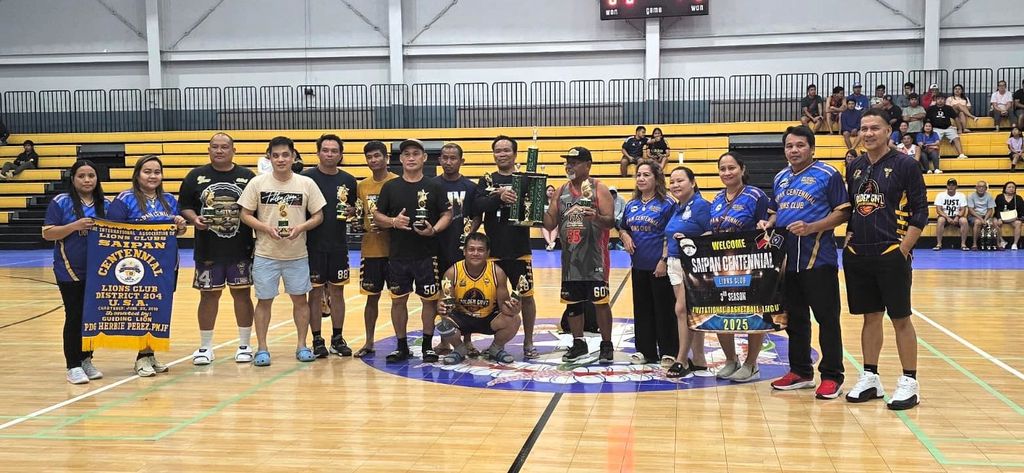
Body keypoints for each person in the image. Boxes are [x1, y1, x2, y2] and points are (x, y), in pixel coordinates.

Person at [843, 108, 928, 410]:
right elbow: (853, 208)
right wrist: (849, 238)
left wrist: (903, 249)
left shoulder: (906, 165)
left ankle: (909, 381)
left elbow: (921, 211)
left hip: (892, 252)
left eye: (874, 128)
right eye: (863, 128)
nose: (867, 133)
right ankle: (870, 377)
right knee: (870, 316)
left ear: (888, 131)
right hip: (859, 254)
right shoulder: (854, 166)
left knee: (900, 318)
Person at [764, 126, 850, 399]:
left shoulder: (828, 174)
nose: (794, 150)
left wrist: (813, 227)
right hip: (788, 262)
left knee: (827, 319)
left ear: (812, 148)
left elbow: (843, 212)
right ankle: (800, 372)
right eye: (789, 146)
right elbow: (776, 212)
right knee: (796, 319)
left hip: (819, 260)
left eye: (800, 145)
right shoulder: (780, 177)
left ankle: (832, 376)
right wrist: (768, 224)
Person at [238, 136, 326, 367]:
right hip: (265, 254)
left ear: (293, 156)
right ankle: (262, 348)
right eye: (275, 155)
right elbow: (245, 214)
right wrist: (265, 228)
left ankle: (302, 345)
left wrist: (301, 228)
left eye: (285, 155)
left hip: (297, 255)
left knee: (300, 301)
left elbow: (318, 216)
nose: (280, 159)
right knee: (264, 301)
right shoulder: (257, 183)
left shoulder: (306, 183)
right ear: (269, 157)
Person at [177, 133, 257, 365]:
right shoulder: (195, 176)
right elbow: (185, 206)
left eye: (224, 147)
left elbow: (256, 209)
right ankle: (205, 347)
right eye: (215, 147)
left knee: (242, 294)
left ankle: (245, 345)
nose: (219, 151)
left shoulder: (247, 177)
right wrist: (194, 219)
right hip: (208, 249)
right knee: (208, 295)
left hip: (241, 248)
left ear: (233, 150)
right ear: (209, 150)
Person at [108, 155, 188, 377]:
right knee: (143, 309)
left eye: (157, 172)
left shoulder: (169, 200)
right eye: (147, 171)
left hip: (166, 264)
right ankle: (141, 357)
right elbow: (112, 232)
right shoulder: (124, 199)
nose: (153, 176)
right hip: (138, 267)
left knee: (159, 309)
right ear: (137, 174)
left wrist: (180, 225)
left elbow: (177, 232)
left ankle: (150, 353)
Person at [373, 139, 452, 363]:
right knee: (398, 301)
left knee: (429, 301)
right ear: (400, 159)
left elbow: (447, 214)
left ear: (424, 158)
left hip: (427, 254)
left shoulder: (435, 186)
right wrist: (393, 221)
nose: (411, 158)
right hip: (398, 255)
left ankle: (427, 346)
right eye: (406, 154)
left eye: (415, 153)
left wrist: (433, 230)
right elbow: (377, 215)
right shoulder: (390, 187)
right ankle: (401, 347)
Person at [543, 146, 616, 363]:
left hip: (595, 258)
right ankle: (578, 343)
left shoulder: (599, 188)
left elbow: (610, 222)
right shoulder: (560, 191)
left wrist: (596, 217)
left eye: (574, 163)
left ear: (588, 165)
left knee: (600, 302)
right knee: (572, 303)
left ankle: (606, 344)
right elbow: (549, 223)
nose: (569, 166)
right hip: (570, 259)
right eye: (567, 163)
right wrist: (533, 208)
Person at [42, 160, 109, 384]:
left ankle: (86, 359)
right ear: (73, 179)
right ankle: (73, 365)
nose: (87, 180)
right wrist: (74, 226)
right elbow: (48, 233)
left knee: (92, 317)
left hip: (99, 271)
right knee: (74, 316)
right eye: (81, 176)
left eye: (91, 175)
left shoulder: (106, 204)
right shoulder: (61, 202)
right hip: (69, 270)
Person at [473, 136, 540, 359]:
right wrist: (499, 197)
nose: (502, 154)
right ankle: (498, 343)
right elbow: (478, 205)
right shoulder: (486, 179)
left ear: (515, 154)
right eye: (498, 151)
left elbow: (535, 206)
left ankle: (528, 342)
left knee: (526, 296)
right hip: (493, 251)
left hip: (520, 249)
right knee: (494, 299)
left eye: (506, 150)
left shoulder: (526, 179)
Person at [708, 152, 772, 383]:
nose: (727, 172)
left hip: (750, 263)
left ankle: (751, 364)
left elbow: (769, 223)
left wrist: (766, 225)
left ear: (742, 169)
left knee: (752, 312)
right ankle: (730, 360)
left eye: (731, 168)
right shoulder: (717, 198)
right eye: (722, 168)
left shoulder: (756, 195)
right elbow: (714, 231)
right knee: (721, 312)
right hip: (721, 264)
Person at [301, 134, 358, 358]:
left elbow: (351, 208)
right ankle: (316, 339)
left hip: (338, 245)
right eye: (325, 150)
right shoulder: (306, 178)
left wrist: (352, 211)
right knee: (315, 294)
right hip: (312, 245)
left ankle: (337, 338)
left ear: (341, 154)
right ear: (318, 153)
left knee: (338, 292)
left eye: (334, 151)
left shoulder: (349, 180)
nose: (329, 154)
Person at [618, 161, 676, 366]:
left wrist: (664, 260)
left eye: (646, 175)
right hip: (638, 266)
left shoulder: (667, 204)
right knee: (642, 309)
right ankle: (645, 350)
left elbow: (671, 233)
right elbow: (623, 227)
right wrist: (625, 236)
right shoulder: (631, 204)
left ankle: (669, 351)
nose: (641, 179)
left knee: (664, 309)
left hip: (660, 266)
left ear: (656, 178)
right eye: (638, 175)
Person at [436, 233, 522, 365]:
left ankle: (496, 349)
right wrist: (441, 307)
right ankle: (459, 349)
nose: (475, 253)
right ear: (464, 251)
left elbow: (504, 307)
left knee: (514, 319)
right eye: (471, 249)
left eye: (480, 250)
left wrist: (513, 308)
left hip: (488, 319)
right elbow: (443, 302)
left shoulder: (497, 273)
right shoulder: (452, 272)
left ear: (488, 253)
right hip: (462, 318)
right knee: (443, 322)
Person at [662, 166, 712, 378]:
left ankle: (681, 359)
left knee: (681, 310)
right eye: (672, 181)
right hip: (675, 263)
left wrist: (692, 241)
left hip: (692, 264)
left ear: (692, 182)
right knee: (691, 311)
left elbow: (714, 233)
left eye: (680, 180)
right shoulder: (677, 207)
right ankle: (699, 359)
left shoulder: (701, 206)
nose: (675, 185)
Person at [354, 141, 398, 358]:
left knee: (399, 299)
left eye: (377, 156)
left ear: (386, 157)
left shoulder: (398, 182)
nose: (373, 160)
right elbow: (358, 213)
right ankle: (369, 341)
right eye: (369, 157)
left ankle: (401, 343)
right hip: (371, 249)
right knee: (371, 298)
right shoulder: (362, 186)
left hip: (396, 250)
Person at [433, 143, 479, 283]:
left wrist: (468, 235)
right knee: (440, 290)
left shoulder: (471, 187)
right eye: (445, 158)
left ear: (461, 161)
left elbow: (477, 216)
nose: (448, 162)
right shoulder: (431, 185)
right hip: (436, 247)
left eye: (453, 158)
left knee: (462, 288)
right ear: (439, 160)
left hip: (461, 248)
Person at [925, 94, 969, 159]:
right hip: (936, 128)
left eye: (942, 99)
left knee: (956, 138)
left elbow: (956, 118)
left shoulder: (949, 108)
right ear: (935, 100)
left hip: (948, 128)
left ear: (945, 100)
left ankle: (961, 154)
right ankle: (936, 156)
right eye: (938, 99)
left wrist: (960, 129)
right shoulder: (931, 108)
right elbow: (927, 119)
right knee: (935, 140)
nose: (940, 100)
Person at [933, 178, 969, 251]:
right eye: (949, 185)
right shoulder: (940, 195)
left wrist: (957, 217)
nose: (951, 187)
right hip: (944, 216)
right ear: (947, 186)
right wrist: (947, 218)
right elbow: (938, 210)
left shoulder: (961, 195)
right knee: (940, 220)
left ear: (956, 187)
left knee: (964, 221)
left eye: (953, 185)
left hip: (957, 216)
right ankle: (939, 244)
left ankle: (963, 244)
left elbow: (963, 210)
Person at [966, 180, 996, 250]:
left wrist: (985, 219)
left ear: (986, 188)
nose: (981, 188)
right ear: (976, 188)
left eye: (983, 187)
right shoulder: (971, 196)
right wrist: (981, 219)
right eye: (979, 187)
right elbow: (971, 210)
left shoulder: (989, 196)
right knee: (978, 222)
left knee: (995, 222)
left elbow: (990, 210)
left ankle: (997, 244)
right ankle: (974, 244)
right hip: (973, 216)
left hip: (986, 216)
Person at [994, 182, 1022, 250]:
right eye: (1009, 187)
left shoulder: (1018, 198)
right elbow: (997, 209)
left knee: (1018, 223)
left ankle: (1015, 244)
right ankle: (1002, 241)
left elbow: (1021, 210)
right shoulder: (999, 197)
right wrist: (999, 218)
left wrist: (1018, 217)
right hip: (1001, 217)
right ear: (1005, 188)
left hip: (1013, 218)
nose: (1011, 189)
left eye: (1013, 187)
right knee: (995, 222)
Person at [541, 184, 559, 251]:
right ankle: (551, 244)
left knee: (556, 227)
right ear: (545, 192)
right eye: (549, 190)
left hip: (554, 220)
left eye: (552, 190)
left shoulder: (557, 201)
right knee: (542, 226)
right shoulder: (542, 202)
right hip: (545, 220)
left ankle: (550, 245)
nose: (551, 192)